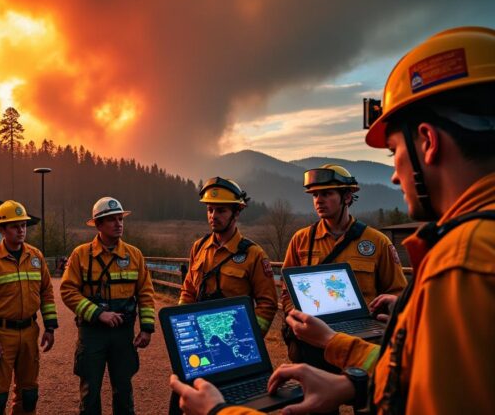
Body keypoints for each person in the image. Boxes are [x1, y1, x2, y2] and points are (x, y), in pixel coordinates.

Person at [171, 26, 495, 414]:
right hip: (319, 349)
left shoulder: (461, 263)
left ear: (427, 141)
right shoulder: (470, 251)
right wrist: (347, 374)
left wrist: (219, 412)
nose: (394, 176)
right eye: (315, 196)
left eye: (393, 152)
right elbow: (411, 377)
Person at [279, 164, 406, 370]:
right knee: (320, 401)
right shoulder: (301, 240)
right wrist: (298, 318)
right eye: (314, 195)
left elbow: (397, 291)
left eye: (327, 194)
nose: (318, 200)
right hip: (314, 341)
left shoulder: (377, 242)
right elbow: (286, 292)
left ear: (347, 197)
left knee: (363, 398)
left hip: (362, 340)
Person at [60, 196, 155, 415]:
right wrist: (98, 314)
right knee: (90, 391)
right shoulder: (81, 255)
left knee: (123, 390)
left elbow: (146, 293)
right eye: (111, 219)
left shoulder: (134, 255)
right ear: (98, 225)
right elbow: (67, 291)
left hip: (123, 333)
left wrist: (147, 328)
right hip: (92, 333)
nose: (118, 223)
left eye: (120, 218)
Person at [0, 200, 58, 415]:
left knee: (29, 393)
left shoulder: (36, 256)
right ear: (2, 229)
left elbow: (47, 292)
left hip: (30, 331)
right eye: (14, 226)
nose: (21, 230)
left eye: (23, 225)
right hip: (1, 334)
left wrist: (49, 327)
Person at [179, 177, 277, 335]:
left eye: (221, 210)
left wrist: (249, 337)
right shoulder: (198, 248)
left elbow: (267, 304)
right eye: (210, 210)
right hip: (201, 335)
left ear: (236, 213)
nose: (213, 216)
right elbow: (188, 291)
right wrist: (184, 328)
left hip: (234, 342)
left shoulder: (254, 254)